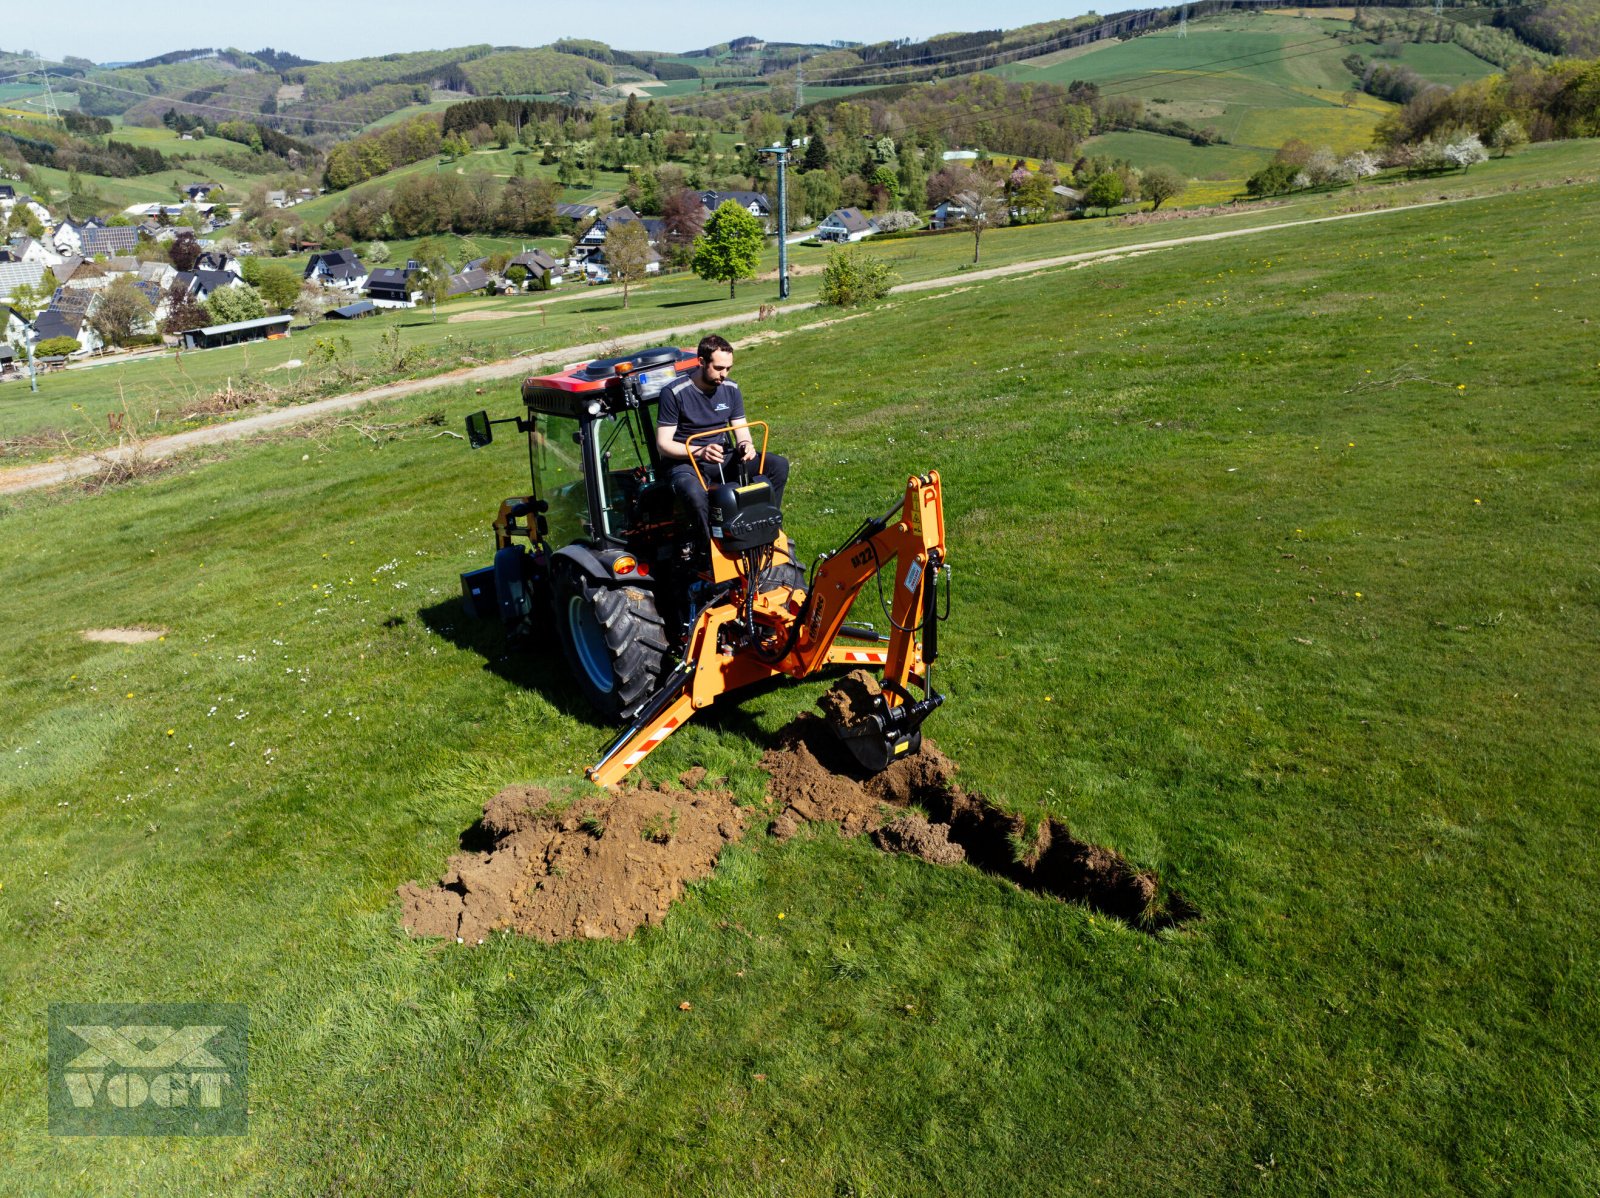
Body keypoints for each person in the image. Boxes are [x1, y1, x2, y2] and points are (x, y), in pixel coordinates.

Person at [655, 334, 788, 540]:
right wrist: (700, 451)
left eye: (728, 368)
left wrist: (746, 445)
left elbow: (741, 428)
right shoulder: (674, 393)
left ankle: (767, 526)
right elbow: (663, 444)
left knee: (777, 465)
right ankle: (709, 546)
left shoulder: (731, 389)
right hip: (686, 462)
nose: (724, 374)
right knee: (695, 495)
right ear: (701, 362)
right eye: (718, 368)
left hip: (722, 457)